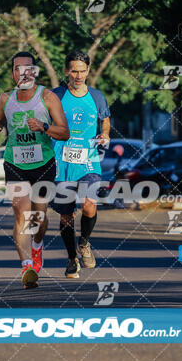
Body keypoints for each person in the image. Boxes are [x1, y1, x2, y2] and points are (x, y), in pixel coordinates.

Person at [0, 51, 69, 289]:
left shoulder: (48, 97)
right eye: (17, 68)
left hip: (43, 164)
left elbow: (64, 132)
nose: (23, 72)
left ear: (34, 72)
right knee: (22, 215)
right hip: (15, 162)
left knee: (38, 218)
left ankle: (36, 247)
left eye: (28, 68)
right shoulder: (5, 98)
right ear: (13, 73)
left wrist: (44, 127)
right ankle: (27, 267)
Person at [52, 50, 111, 278]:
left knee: (89, 204)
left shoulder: (96, 97)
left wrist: (104, 134)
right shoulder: (55, 95)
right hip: (61, 163)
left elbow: (104, 121)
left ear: (88, 71)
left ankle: (84, 243)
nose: (78, 75)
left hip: (88, 162)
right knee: (66, 216)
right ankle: (71, 259)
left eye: (83, 71)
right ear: (67, 71)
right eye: (74, 71)